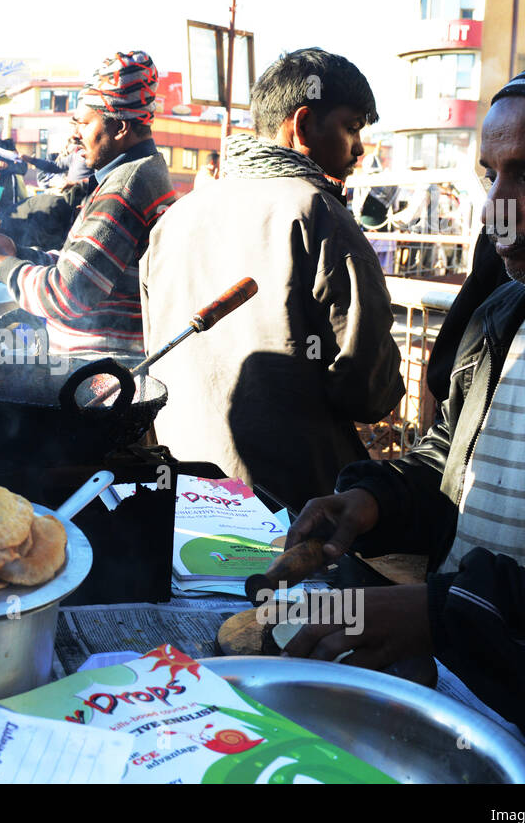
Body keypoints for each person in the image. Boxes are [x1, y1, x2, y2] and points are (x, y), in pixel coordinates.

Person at [281, 14, 525, 782]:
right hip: (462, 694)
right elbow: (449, 460)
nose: (495, 210)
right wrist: (373, 501)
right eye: (490, 174)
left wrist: (442, 611)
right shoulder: (502, 318)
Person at [140, 49, 404, 510]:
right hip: (291, 505)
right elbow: (367, 389)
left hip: (186, 486)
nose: (360, 148)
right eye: (352, 127)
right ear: (302, 126)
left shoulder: (175, 218)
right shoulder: (319, 214)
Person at [0, 51, 176, 366]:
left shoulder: (125, 187)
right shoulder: (137, 173)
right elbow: (85, 269)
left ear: (119, 128)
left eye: (83, 123)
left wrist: (1, 265)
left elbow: (67, 293)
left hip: (100, 379)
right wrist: (15, 253)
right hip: (99, 372)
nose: (75, 135)